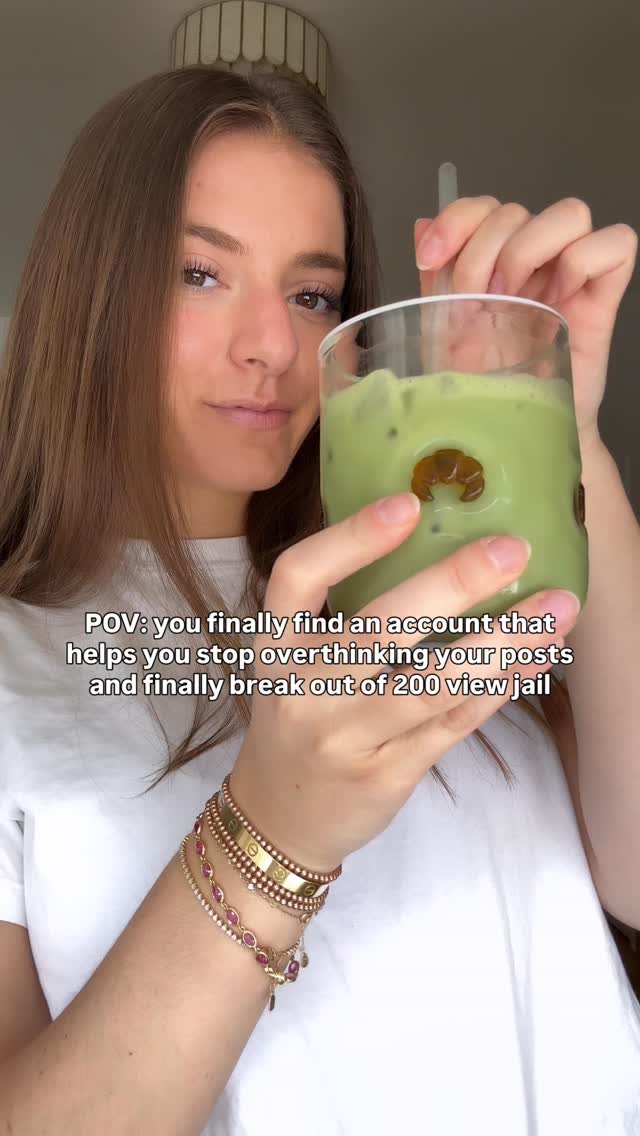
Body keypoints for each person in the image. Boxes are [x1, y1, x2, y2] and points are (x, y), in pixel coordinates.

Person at [0, 65, 638, 1136]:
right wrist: (271, 832)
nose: (273, 346)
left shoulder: (443, 576)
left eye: (313, 295)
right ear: (89, 288)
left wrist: (565, 433)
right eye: (199, 273)